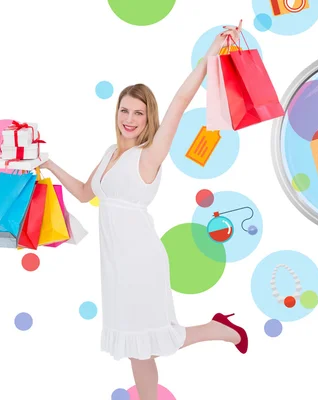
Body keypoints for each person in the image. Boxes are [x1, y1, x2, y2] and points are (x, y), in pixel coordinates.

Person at [40, 21, 248, 400]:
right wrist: (50, 164)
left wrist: (208, 58)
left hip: (141, 260)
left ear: (147, 116)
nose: (130, 119)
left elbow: (180, 104)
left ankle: (223, 331)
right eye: (125, 110)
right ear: (117, 112)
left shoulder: (148, 155)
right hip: (114, 263)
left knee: (145, 342)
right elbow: (87, 194)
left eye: (138, 112)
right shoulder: (109, 154)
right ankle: (220, 329)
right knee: (141, 344)